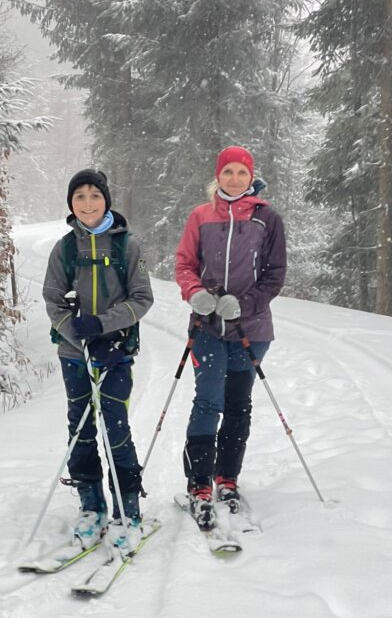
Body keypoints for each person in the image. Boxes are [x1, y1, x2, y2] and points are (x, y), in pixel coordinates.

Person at [43, 169, 154, 555]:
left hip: (117, 354)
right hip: (74, 356)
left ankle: (128, 509)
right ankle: (91, 507)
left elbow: (142, 299)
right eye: (80, 197)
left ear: (106, 200)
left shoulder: (127, 245)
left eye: (94, 195)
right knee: (80, 429)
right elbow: (52, 300)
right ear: (71, 204)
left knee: (115, 427)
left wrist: (104, 328)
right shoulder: (64, 249)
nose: (87, 203)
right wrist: (79, 335)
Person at [175, 146, 286, 528]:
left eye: (241, 172)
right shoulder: (201, 216)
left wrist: (244, 304)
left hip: (250, 330)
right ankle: (199, 484)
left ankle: (227, 478)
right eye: (228, 172)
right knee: (208, 402)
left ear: (250, 176)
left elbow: (275, 274)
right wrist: (196, 293)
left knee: (238, 404)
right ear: (218, 176)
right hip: (206, 327)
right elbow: (185, 264)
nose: (234, 179)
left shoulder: (266, 218)